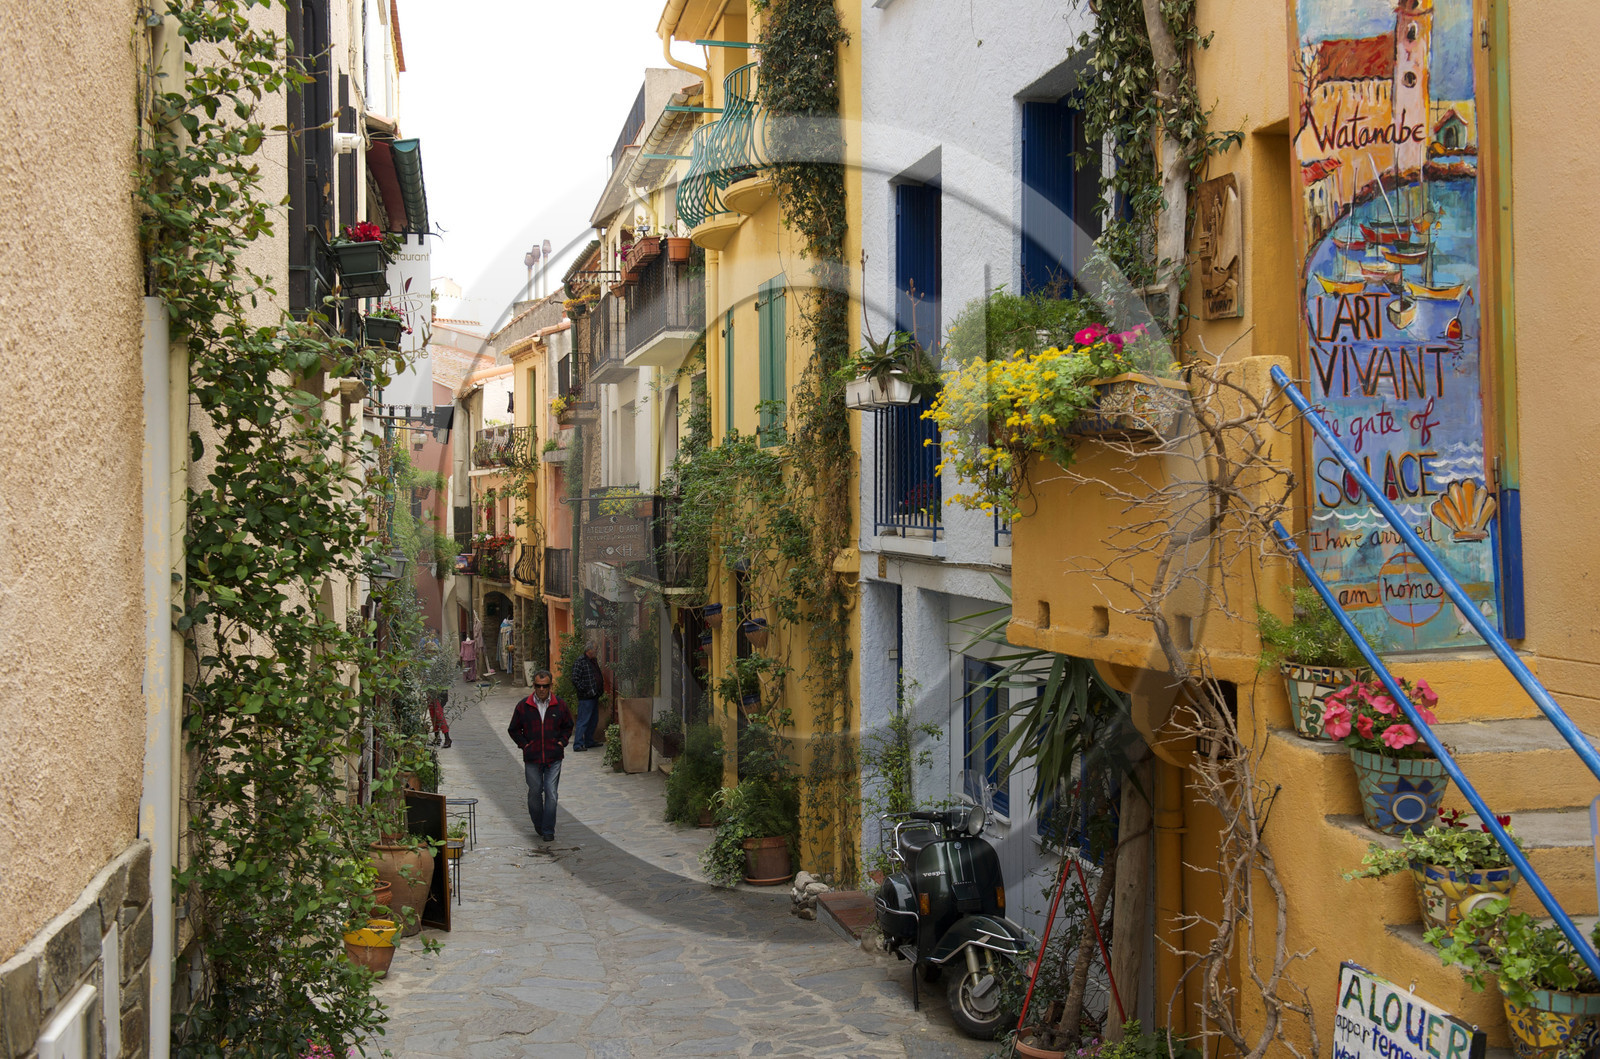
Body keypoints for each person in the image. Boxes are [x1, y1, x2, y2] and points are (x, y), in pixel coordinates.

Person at [507, 669, 574, 841]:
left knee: (551, 793)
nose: (542, 689)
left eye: (545, 686)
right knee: (535, 793)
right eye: (538, 686)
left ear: (551, 685)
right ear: (534, 685)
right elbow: (514, 729)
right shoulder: (524, 706)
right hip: (533, 758)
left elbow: (568, 726)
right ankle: (538, 823)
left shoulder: (560, 705)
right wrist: (525, 745)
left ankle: (548, 829)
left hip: (554, 757)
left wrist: (562, 742)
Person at [570, 643, 605, 751]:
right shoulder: (580, 661)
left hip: (594, 696)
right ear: (589, 650)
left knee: (593, 720)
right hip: (586, 697)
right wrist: (586, 690)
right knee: (583, 720)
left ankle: (589, 741)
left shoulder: (592, 661)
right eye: (595, 649)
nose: (596, 651)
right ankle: (578, 744)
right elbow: (575, 678)